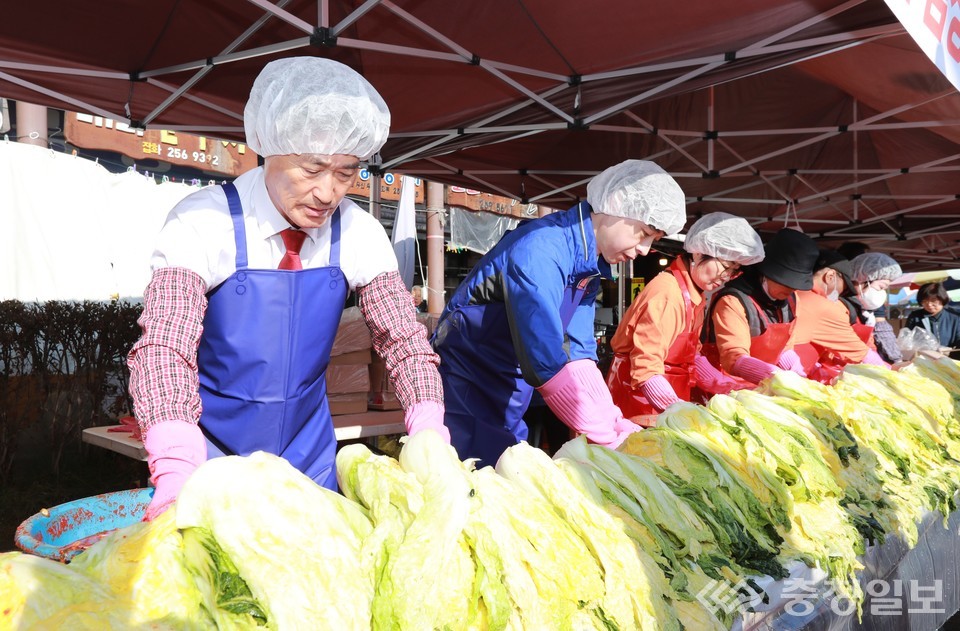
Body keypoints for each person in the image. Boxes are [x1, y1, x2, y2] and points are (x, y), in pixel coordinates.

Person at [128, 57, 446, 520]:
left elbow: (404, 340)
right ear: (269, 147)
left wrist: (429, 429)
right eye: (312, 168)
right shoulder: (202, 222)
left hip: (309, 464)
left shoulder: (358, 232)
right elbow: (164, 348)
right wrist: (177, 464)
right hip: (210, 460)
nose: (327, 193)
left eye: (345, 172)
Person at [432, 159, 687, 467]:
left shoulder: (588, 266)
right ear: (616, 204)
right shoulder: (541, 248)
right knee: (471, 474)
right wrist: (602, 434)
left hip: (512, 388)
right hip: (466, 384)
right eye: (643, 233)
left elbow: (578, 353)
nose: (644, 249)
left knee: (505, 469)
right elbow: (545, 358)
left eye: (653, 240)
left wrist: (612, 418)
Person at [606, 212, 763, 421]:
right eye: (725, 267)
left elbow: (692, 356)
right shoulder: (668, 293)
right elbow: (646, 369)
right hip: (637, 403)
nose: (725, 277)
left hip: (665, 402)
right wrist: (679, 412)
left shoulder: (694, 295)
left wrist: (732, 387)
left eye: (734, 272)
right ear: (698, 254)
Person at [700, 228, 819, 385]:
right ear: (767, 273)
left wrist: (795, 372)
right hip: (723, 385)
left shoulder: (791, 299)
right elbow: (734, 357)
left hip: (762, 386)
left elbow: (785, 347)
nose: (791, 289)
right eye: (787, 282)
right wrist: (774, 377)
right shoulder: (732, 300)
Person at [790, 249, 888, 382]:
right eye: (844, 288)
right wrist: (890, 373)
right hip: (788, 378)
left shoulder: (793, 294)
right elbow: (860, 353)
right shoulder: (824, 306)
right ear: (830, 276)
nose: (841, 294)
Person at [848, 253, 903, 364]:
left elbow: (875, 337)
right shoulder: (840, 305)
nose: (881, 293)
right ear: (862, 278)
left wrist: (895, 359)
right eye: (881, 287)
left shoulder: (866, 310)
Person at [906, 282, 960, 350]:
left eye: (933, 300)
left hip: (950, 356)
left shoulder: (955, 316)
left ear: (942, 298)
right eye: (925, 301)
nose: (929, 304)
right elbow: (907, 339)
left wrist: (949, 350)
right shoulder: (915, 317)